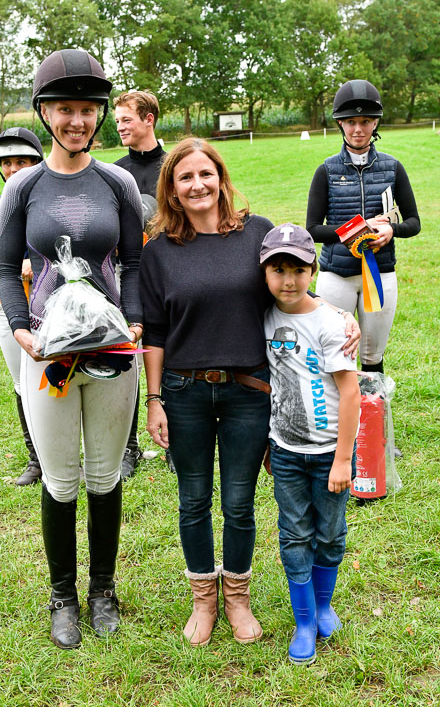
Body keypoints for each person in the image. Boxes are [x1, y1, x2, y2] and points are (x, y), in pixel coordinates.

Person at [140, 138, 360, 648]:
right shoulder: (158, 250)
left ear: (221, 178)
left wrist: (338, 315)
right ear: (171, 188)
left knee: (239, 503)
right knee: (193, 500)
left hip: (248, 392)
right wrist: (153, 400)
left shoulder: (256, 232)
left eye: (206, 174)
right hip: (184, 392)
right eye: (185, 177)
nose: (197, 185)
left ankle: (237, 597)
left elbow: (291, 287)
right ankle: (204, 599)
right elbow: (155, 332)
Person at [0, 49, 144, 649]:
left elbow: (134, 262)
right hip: (48, 353)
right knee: (60, 480)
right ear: (45, 113)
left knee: (104, 475)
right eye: (64, 109)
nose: (77, 120)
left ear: (99, 114)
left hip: (111, 350)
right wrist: (22, 330)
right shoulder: (24, 186)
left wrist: (135, 321)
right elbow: (7, 267)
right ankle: (63, 596)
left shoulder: (118, 182)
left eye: (87, 109)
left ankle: (103, 589)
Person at [260, 223, 360, 665]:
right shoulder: (264, 315)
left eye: (299, 270)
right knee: (294, 532)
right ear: (264, 274)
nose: (288, 280)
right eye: (278, 270)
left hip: (329, 454)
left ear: (313, 271)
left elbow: (350, 393)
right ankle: (303, 622)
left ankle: (322, 606)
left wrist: (342, 460)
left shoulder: (331, 324)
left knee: (330, 532)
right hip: (285, 451)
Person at [306, 79, 421, 374]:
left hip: (380, 274)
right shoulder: (326, 170)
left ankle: (373, 406)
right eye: (351, 122)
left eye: (366, 122)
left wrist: (392, 230)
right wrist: (357, 228)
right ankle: (341, 408)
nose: (358, 129)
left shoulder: (393, 168)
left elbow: (414, 222)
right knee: (337, 357)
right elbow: (313, 230)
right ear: (340, 124)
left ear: (375, 123)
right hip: (337, 275)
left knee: (373, 357)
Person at [0, 127, 43, 485]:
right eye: (7, 162)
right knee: (22, 384)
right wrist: (12, 267)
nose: (13, 169)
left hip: (54, 307)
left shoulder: (53, 201)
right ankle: (36, 459)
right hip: (10, 306)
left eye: (22, 161)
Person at [113, 90, 172, 478]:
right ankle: (128, 447)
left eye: (126, 119)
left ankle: (176, 442)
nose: (120, 127)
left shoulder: (174, 165)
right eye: (117, 121)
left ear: (148, 119)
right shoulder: (114, 172)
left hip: (170, 274)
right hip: (127, 277)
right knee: (128, 359)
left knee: (174, 357)